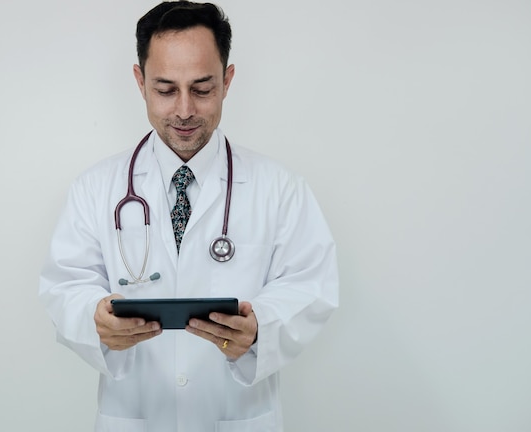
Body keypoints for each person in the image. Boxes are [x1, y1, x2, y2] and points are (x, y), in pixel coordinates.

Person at [39, 2, 338, 431]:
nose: (184, 110)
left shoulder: (281, 188)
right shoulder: (94, 189)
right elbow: (65, 285)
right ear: (140, 82)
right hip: (137, 415)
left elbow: (311, 286)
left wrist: (261, 328)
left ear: (227, 80)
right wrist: (94, 318)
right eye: (165, 89)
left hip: (237, 415)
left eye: (202, 89)